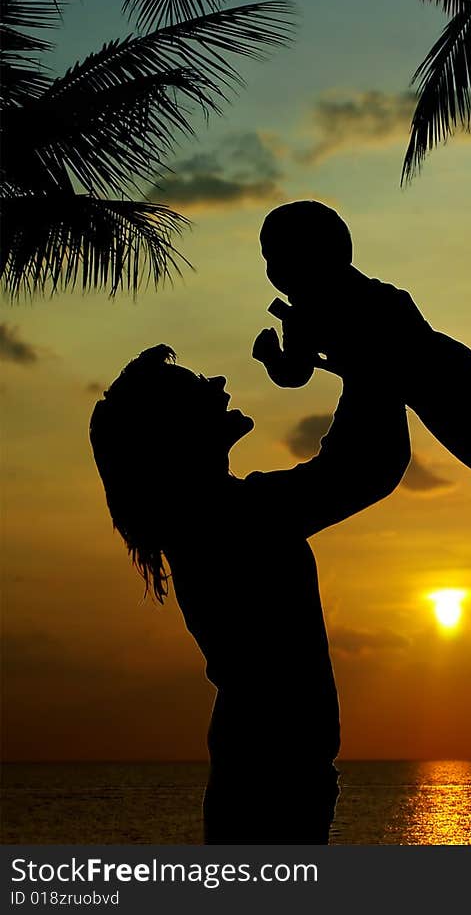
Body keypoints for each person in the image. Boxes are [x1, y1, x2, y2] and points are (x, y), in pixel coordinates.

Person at [89, 342, 410, 844]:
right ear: (176, 433)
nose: (216, 384)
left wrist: (361, 366)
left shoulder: (213, 518)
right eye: (197, 388)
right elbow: (368, 465)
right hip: (270, 783)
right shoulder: (230, 520)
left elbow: (361, 463)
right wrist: (368, 358)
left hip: (264, 776)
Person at [253, 201, 471, 524]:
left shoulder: (352, 300)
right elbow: (299, 370)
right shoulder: (319, 308)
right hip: (416, 384)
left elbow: (306, 369)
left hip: (437, 370)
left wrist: (284, 353)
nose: (276, 270)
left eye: (279, 256)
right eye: (270, 259)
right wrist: (282, 354)